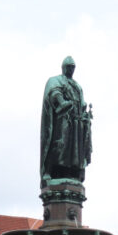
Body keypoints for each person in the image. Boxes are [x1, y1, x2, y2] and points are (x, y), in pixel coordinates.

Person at [40, 56, 92, 187]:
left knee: (74, 150)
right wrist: (62, 102)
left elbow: (81, 101)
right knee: (60, 145)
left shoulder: (77, 86)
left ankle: (71, 171)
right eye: (68, 67)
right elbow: (53, 91)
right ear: (63, 68)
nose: (70, 69)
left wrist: (84, 109)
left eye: (72, 67)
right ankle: (53, 171)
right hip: (63, 118)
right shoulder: (55, 80)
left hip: (76, 123)